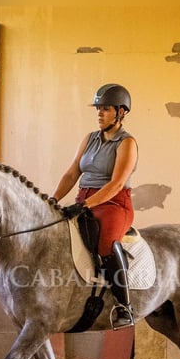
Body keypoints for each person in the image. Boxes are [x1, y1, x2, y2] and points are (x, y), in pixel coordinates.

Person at [53, 83, 138, 329]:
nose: (99, 113)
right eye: (98, 109)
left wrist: (87, 204)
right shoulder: (89, 139)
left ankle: (124, 306)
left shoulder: (127, 143)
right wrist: (53, 199)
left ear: (121, 112)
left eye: (106, 109)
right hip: (85, 200)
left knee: (105, 242)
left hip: (114, 203)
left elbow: (117, 182)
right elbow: (71, 174)